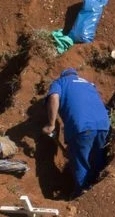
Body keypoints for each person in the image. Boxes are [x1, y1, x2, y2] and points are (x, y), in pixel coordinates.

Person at [43, 68, 110, 197]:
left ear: (63, 75)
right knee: (97, 158)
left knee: (80, 161)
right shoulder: (89, 84)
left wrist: (51, 124)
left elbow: (54, 96)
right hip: (103, 125)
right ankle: (98, 191)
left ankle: (82, 194)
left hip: (82, 126)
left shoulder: (60, 82)